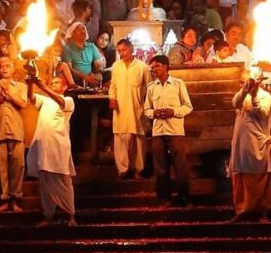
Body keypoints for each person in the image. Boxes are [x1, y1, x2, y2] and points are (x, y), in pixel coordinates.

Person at [26, 75, 76, 227]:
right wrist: (30, 83)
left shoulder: (68, 100)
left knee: (64, 181)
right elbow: (31, 98)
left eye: (56, 83)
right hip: (43, 146)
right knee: (45, 182)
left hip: (59, 147)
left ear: (64, 87)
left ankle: (70, 216)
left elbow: (60, 101)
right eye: (51, 82)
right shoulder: (45, 101)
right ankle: (48, 216)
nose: (53, 85)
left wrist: (42, 86)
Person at [144, 55, 193, 206]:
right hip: (158, 131)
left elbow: (188, 106)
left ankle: (183, 197)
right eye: (152, 67)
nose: (154, 70)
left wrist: (173, 112)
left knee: (180, 166)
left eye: (157, 66)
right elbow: (146, 109)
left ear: (166, 66)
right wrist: (154, 114)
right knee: (160, 167)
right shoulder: (152, 87)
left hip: (175, 131)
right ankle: (164, 198)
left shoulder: (178, 84)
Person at [228, 75, 271, 222]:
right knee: (239, 177)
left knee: (260, 177)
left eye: (247, 81)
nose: (244, 84)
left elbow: (263, 113)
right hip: (240, 143)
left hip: (257, 142)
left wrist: (254, 96)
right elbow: (235, 103)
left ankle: (262, 212)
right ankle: (241, 211)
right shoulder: (241, 94)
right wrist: (245, 90)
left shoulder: (266, 96)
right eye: (242, 82)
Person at [0, 56, 28, 213]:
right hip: (0, 131)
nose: (4, 68)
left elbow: (23, 104)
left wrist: (8, 92)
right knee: (1, 167)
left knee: (18, 165)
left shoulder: (21, 86)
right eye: (1, 66)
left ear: (13, 69)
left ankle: (15, 199)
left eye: (7, 66)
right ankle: (4, 199)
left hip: (16, 131)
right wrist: (0, 97)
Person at [109, 39, 152, 179]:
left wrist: (147, 105)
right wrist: (112, 98)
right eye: (119, 51)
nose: (122, 53)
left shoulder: (143, 67)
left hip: (137, 106)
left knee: (139, 137)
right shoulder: (116, 66)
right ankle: (123, 168)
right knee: (120, 137)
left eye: (124, 50)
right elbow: (113, 85)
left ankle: (139, 168)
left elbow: (150, 88)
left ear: (131, 49)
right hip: (120, 107)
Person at [63, 22, 101, 87]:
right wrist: (85, 77)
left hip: (91, 76)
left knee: (107, 74)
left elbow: (98, 65)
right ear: (73, 33)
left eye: (83, 28)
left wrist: (94, 74)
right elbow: (69, 68)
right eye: (79, 29)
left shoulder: (91, 46)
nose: (82, 31)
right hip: (76, 78)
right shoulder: (68, 48)